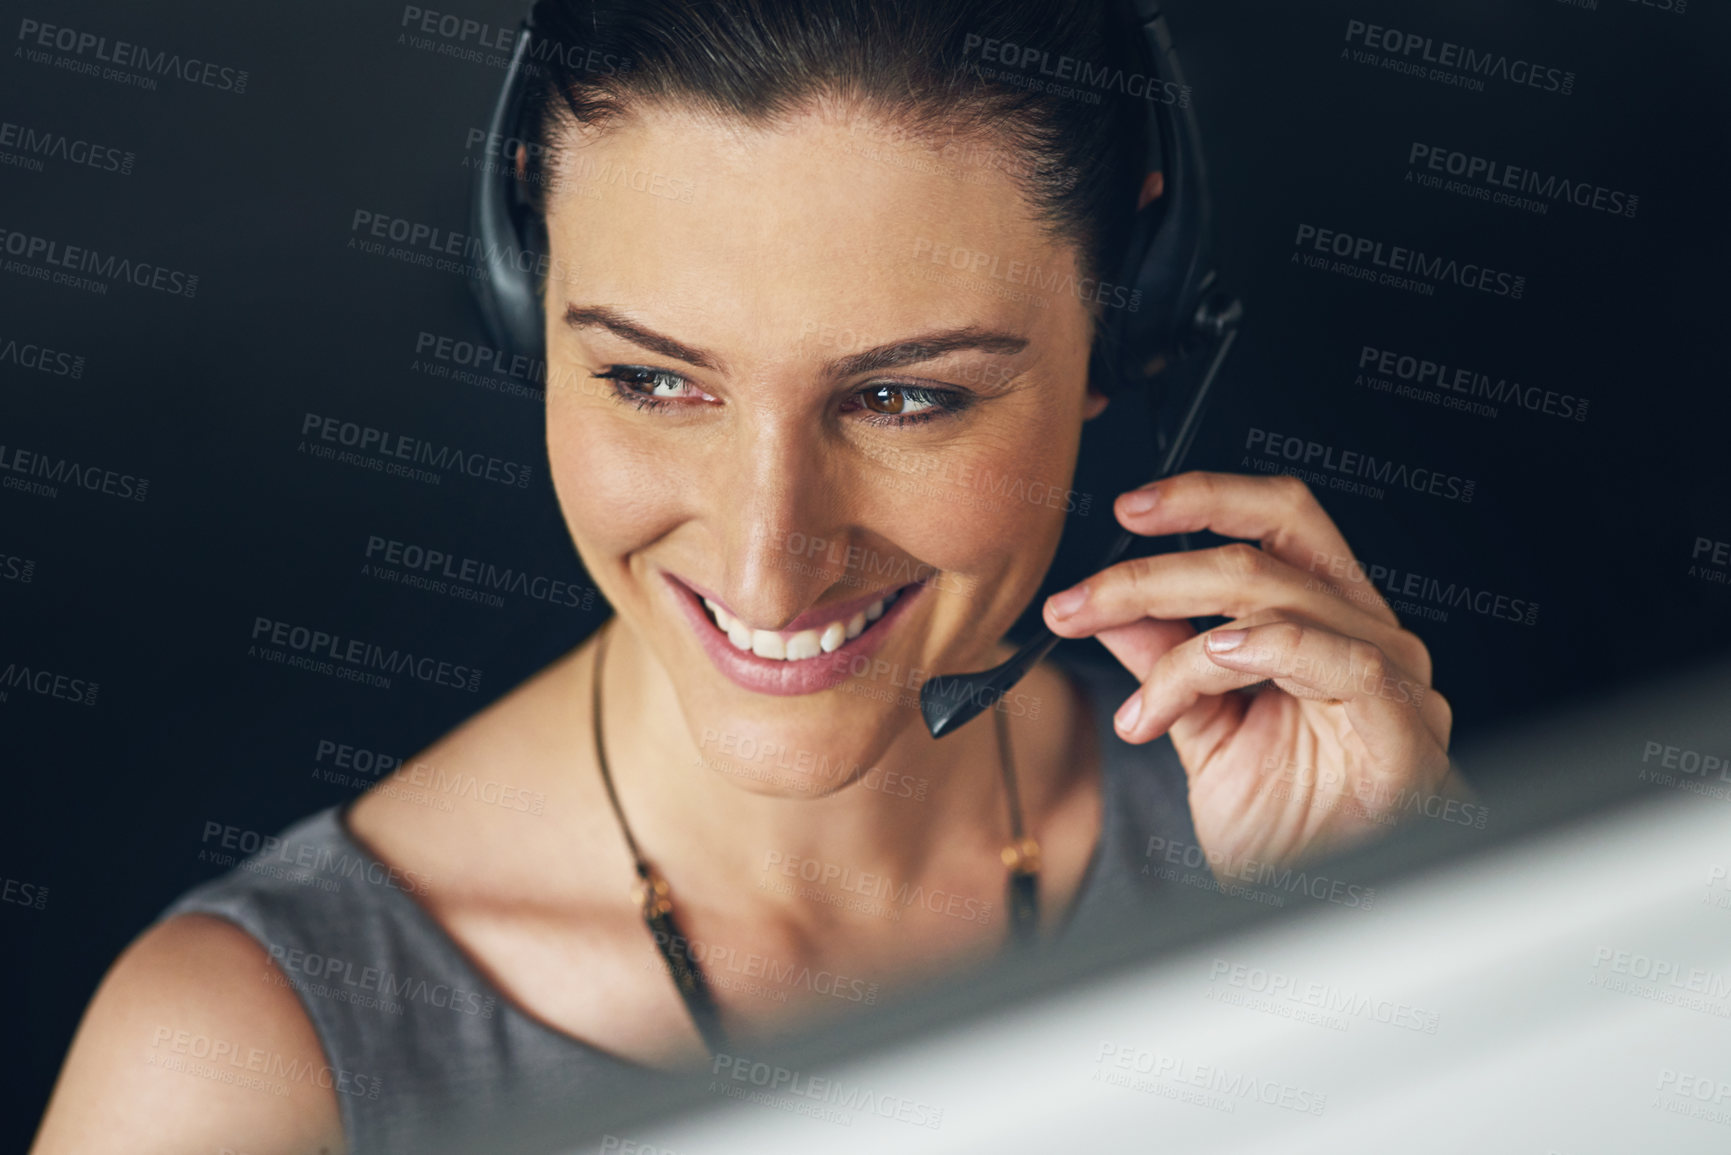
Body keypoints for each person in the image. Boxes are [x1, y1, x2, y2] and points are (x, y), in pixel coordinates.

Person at [30, 1, 1461, 1151]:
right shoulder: (243, 1068)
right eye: (653, 379)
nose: (771, 558)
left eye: (905, 400)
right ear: (527, 278)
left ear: (1127, 309)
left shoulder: (1293, 838)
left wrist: (1409, 950)